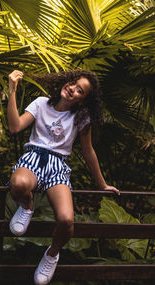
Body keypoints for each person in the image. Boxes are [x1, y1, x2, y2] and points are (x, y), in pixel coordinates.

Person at [7, 69, 120, 285]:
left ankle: (51, 254)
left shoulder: (81, 117)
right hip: (34, 158)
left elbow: (88, 151)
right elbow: (15, 127)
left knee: (67, 220)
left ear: (82, 100)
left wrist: (102, 184)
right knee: (19, 184)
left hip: (58, 166)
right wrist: (12, 91)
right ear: (65, 81)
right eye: (73, 83)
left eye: (80, 91)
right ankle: (27, 206)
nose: (73, 89)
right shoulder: (41, 103)